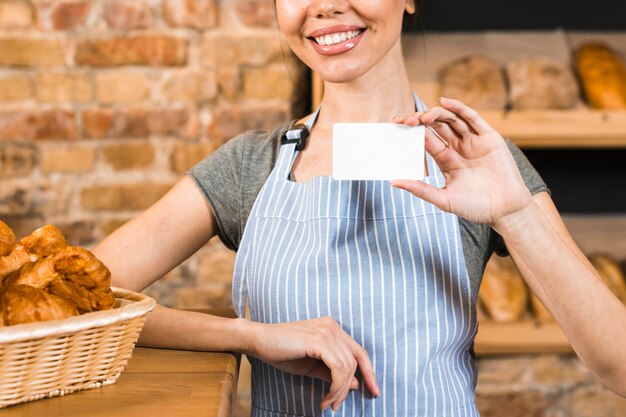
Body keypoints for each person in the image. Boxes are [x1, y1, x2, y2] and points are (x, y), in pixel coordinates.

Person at [93, 1, 626, 416]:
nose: (324, 8)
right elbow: (81, 303)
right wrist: (248, 335)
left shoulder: (478, 161)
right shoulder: (248, 168)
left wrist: (514, 213)